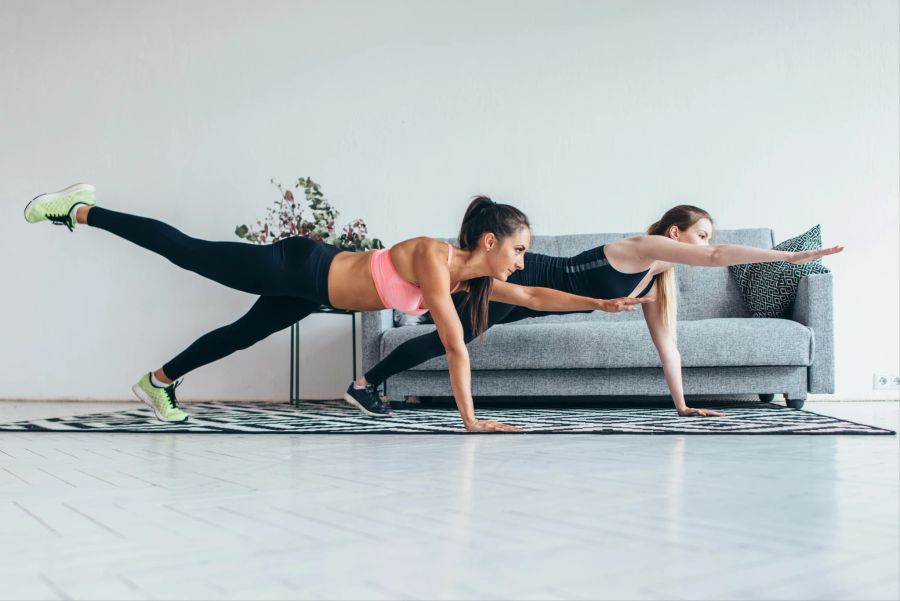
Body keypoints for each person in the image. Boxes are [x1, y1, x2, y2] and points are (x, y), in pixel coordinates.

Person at [24, 184, 649, 431]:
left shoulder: (469, 280)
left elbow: (537, 294)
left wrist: (599, 301)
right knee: (189, 253)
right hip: (303, 266)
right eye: (518, 248)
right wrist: (471, 422)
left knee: (242, 335)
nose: (521, 259)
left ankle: (159, 381)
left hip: (312, 294)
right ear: (489, 242)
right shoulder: (434, 259)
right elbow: (456, 344)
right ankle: (81, 209)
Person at [356, 205, 844, 417]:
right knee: (452, 339)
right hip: (528, 277)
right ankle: (364, 384)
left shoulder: (653, 276)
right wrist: (789, 257)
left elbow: (666, 345)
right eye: (700, 235)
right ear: (673, 235)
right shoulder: (638, 247)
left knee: (454, 335)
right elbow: (717, 259)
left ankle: (371, 377)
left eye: (709, 238)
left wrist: (681, 403)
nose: (706, 247)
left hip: (540, 301)